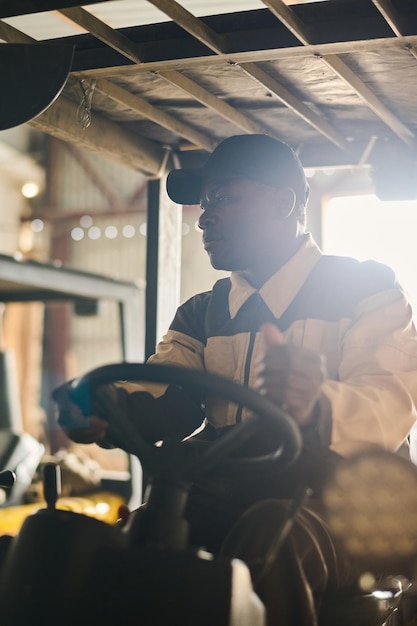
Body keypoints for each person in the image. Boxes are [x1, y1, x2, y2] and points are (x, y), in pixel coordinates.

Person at [53, 134, 417, 626]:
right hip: (234, 494)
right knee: (131, 536)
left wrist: (315, 402)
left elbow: (388, 403)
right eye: (204, 204)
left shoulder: (366, 289)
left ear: (283, 202)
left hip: (351, 510)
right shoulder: (202, 314)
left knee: (269, 539)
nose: (205, 217)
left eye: (223, 198)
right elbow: (165, 390)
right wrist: (103, 406)